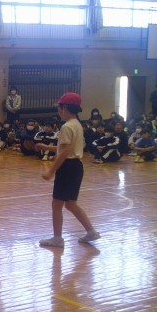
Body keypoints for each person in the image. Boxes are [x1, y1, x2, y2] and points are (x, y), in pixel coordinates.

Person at [36, 92, 100, 247]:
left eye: (59, 107)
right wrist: (47, 147)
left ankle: (57, 239)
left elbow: (64, 152)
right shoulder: (77, 124)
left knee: (56, 204)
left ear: (64, 108)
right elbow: (67, 148)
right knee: (71, 204)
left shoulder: (66, 127)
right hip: (77, 167)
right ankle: (91, 232)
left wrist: (50, 171)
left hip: (67, 167)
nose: (58, 110)